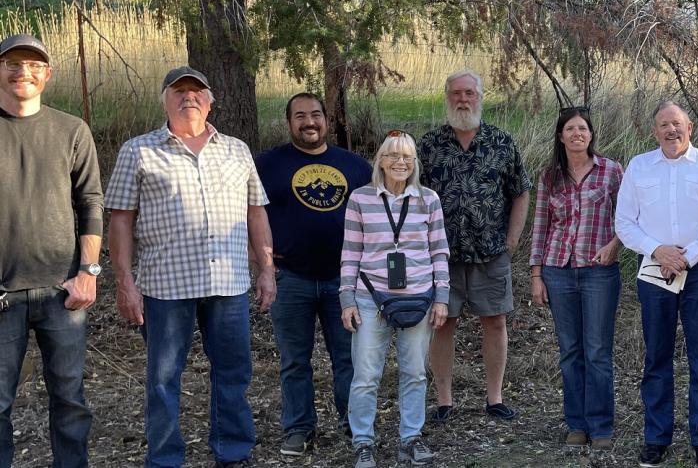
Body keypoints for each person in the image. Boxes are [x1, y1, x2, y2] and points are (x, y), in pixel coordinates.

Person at [106, 66, 274, 468]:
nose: (189, 98)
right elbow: (120, 220)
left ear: (210, 101)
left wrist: (267, 268)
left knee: (233, 373)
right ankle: (164, 458)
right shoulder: (139, 150)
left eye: (197, 91)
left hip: (228, 282)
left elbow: (256, 213)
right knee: (164, 379)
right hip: (165, 286)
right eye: (179, 91)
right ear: (164, 100)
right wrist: (124, 282)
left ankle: (232, 452)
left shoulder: (236, 149)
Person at [615, 101, 698, 468]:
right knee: (657, 355)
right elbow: (624, 222)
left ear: (690, 126)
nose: (671, 130)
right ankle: (656, 438)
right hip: (655, 269)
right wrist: (658, 251)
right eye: (664, 125)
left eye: (677, 124)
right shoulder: (639, 167)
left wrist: (690, 255)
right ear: (655, 132)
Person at [0, 33, 101, 468]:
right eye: (13, 63)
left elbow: (90, 203)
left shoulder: (71, 130)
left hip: (63, 294)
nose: (24, 71)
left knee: (70, 401)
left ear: (47, 74)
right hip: (1, 295)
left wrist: (89, 271)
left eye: (34, 64)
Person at [255, 92, 372, 455]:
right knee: (294, 360)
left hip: (345, 281)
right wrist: (264, 268)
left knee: (348, 357)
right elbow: (250, 216)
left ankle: (354, 424)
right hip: (290, 278)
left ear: (326, 119)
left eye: (316, 115)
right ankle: (299, 427)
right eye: (301, 116)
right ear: (288, 122)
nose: (310, 122)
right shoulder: (268, 165)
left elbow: (375, 219)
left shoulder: (354, 166)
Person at [418, 69, 532, 422]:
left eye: (469, 93)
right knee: (442, 323)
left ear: (480, 96)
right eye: (456, 93)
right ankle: (444, 401)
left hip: (490, 252)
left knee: (495, 321)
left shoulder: (501, 142)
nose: (463, 99)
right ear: (447, 97)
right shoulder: (429, 145)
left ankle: (494, 398)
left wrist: (511, 240)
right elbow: (411, 195)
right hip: (441, 255)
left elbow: (521, 190)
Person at [339, 131, 450, 468]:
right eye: (393, 156)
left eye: (407, 157)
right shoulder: (361, 199)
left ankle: (410, 439)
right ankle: (363, 443)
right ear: (381, 161)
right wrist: (347, 299)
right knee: (366, 375)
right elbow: (350, 252)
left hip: (418, 298)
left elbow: (440, 252)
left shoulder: (428, 199)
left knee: (415, 373)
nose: (401, 162)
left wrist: (442, 297)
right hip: (370, 297)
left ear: (414, 163)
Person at [528, 106, 623, 450]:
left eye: (583, 128)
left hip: (599, 271)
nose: (577, 133)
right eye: (570, 129)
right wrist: (536, 274)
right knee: (570, 351)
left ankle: (600, 427)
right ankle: (576, 425)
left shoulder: (611, 171)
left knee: (597, 351)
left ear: (591, 134)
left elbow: (629, 217)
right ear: (561, 136)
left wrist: (615, 244)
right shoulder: (549, 176)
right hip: (558, 270)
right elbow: (540, 226)